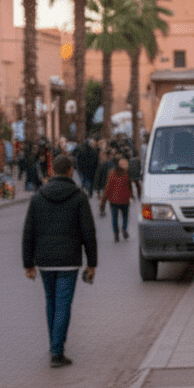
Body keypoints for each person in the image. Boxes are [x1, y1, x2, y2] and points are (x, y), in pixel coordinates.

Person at [22, 154, 97, 367]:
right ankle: (57, 351)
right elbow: (88, 232)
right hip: (69, 259)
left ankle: (54, 344)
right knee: (63, 304)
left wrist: (28, 263)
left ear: (53, 171)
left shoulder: (38, 197)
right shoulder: (79, 197)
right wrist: (92, 263)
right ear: (70, 171)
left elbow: (28, 232)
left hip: (45, 260)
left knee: (51, 302)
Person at [100, 158, 133, 241]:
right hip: (125, 200)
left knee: (114, 217)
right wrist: (131, 195)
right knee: (125, 216)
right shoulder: (126, 173)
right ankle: (124, 229)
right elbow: (129, 186)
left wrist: (103, 201)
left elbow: (108, 188)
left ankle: (116, 233)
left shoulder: (112, 174)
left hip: (114, 200)